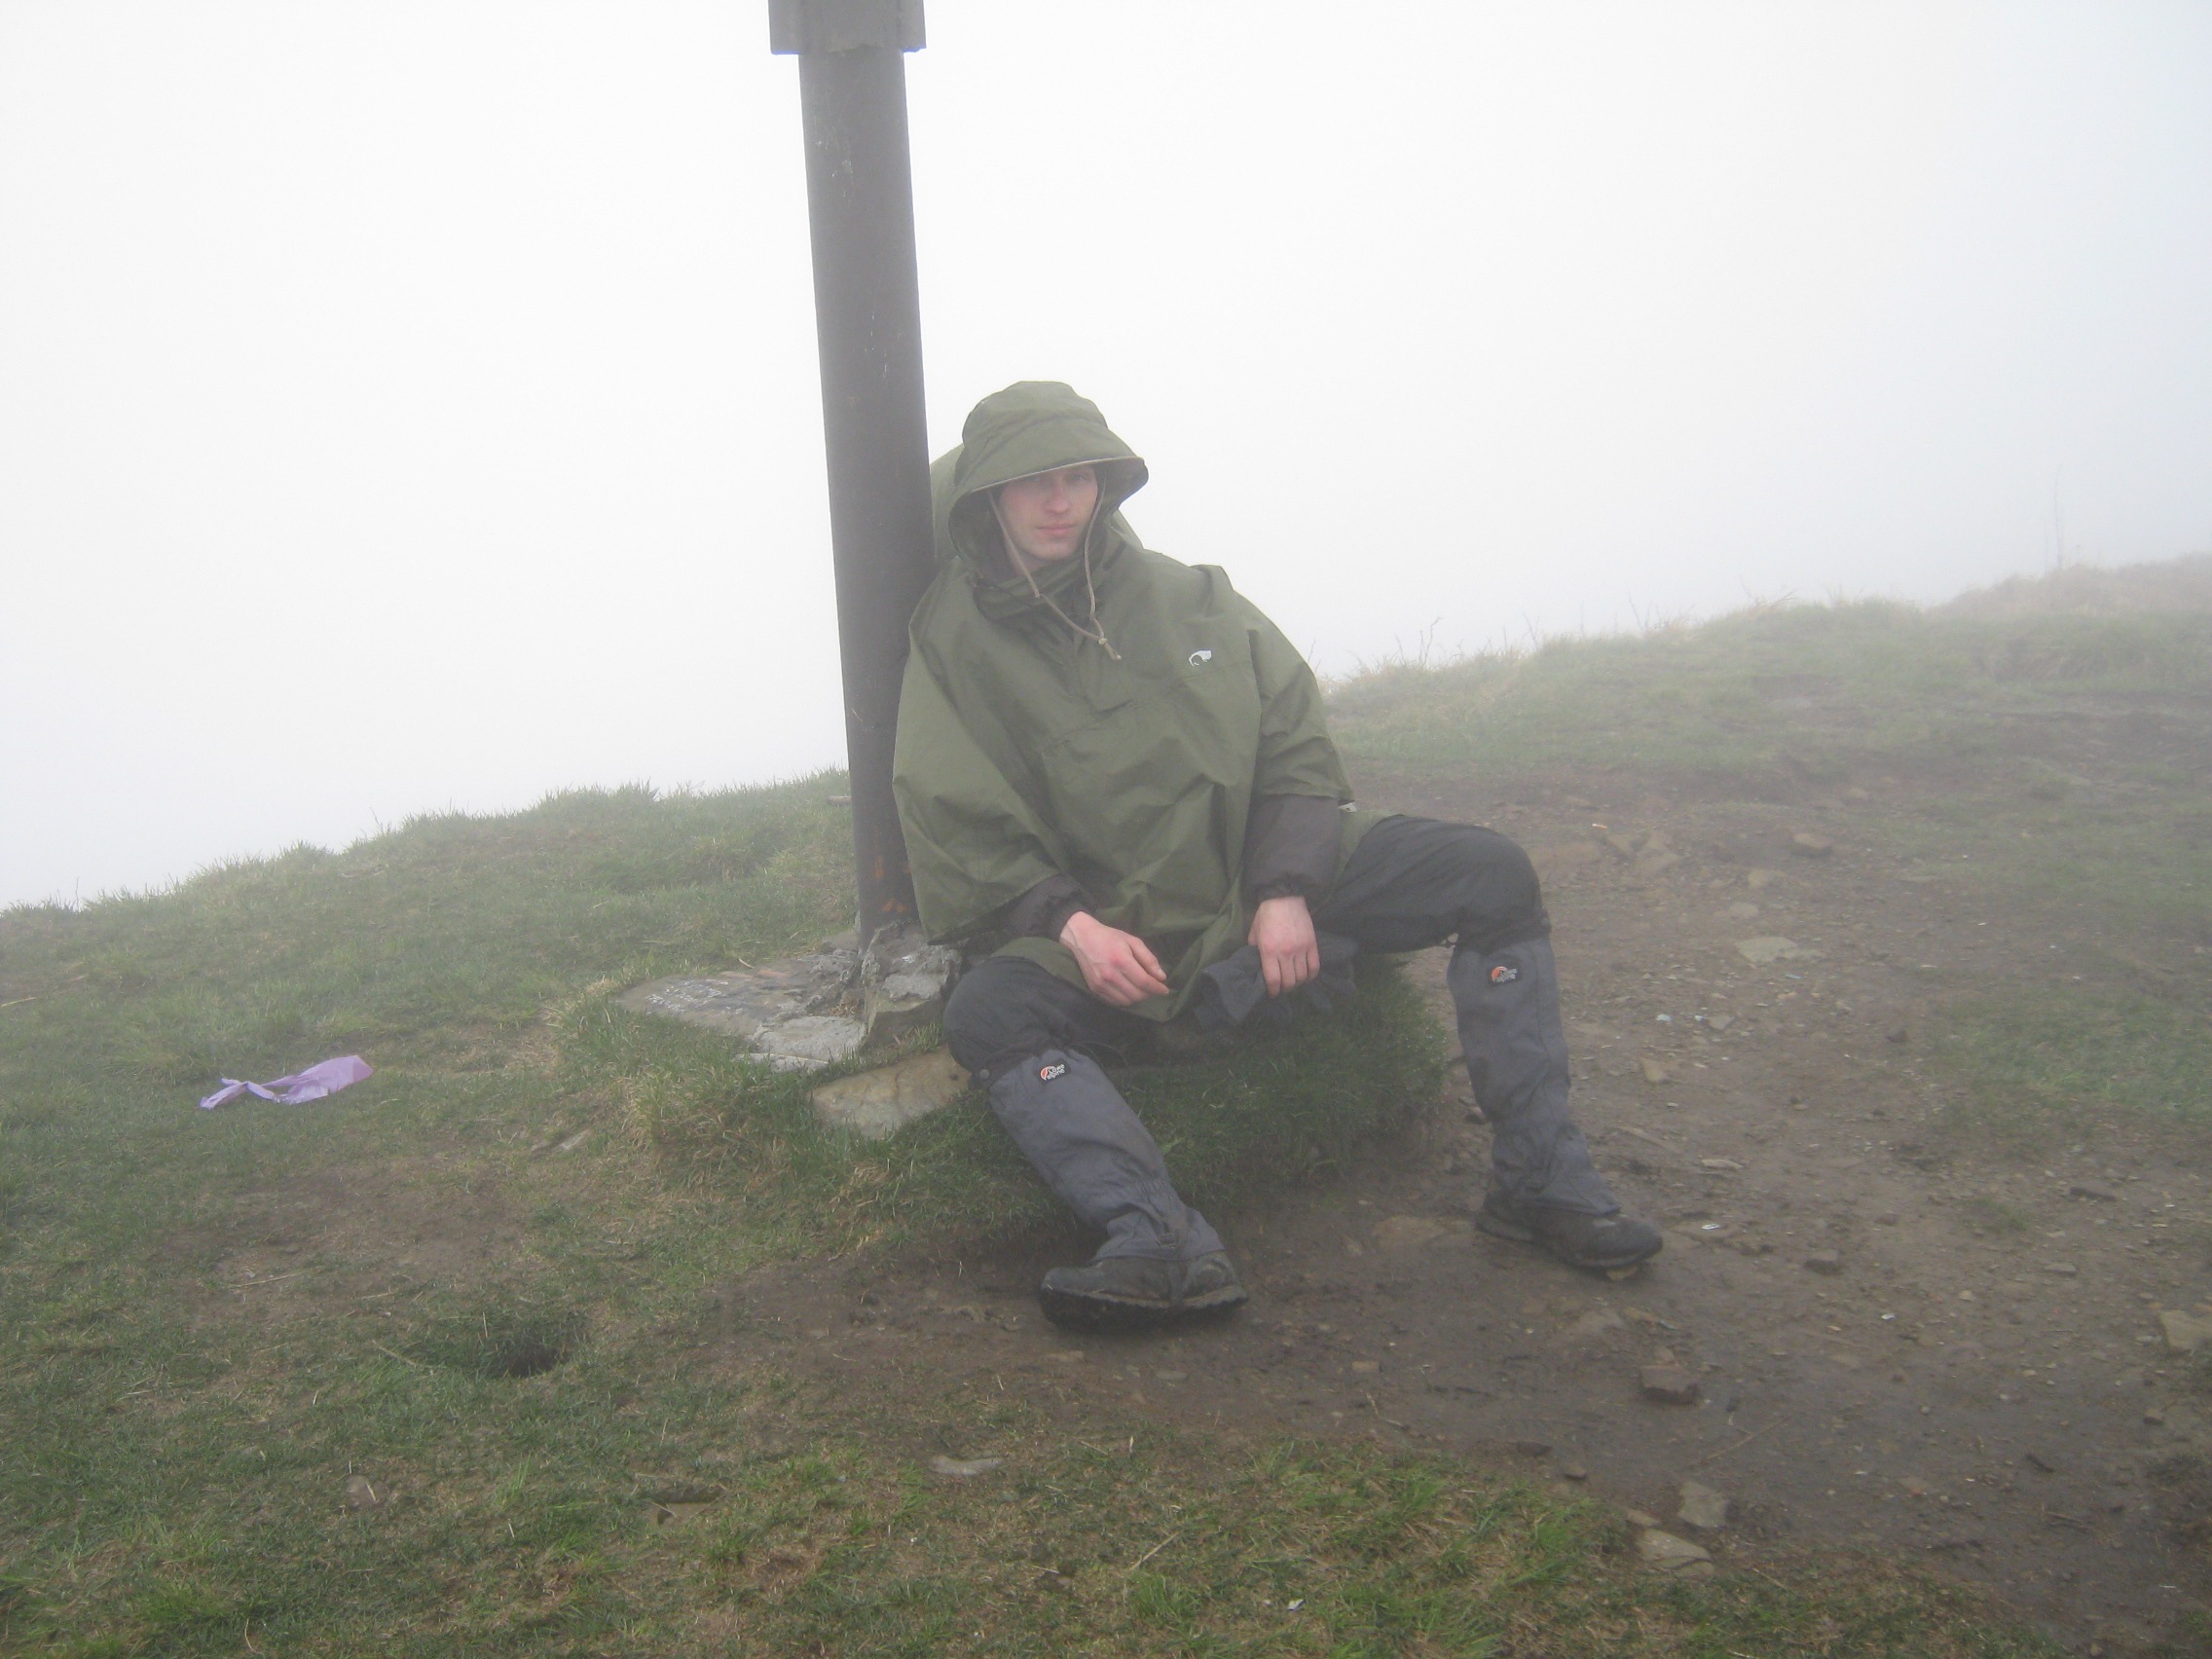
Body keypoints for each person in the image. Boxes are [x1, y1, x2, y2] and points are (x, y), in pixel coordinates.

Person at [892, 382, 1660, 1329]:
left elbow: (1293, 740)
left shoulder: (1192, 597)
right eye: (1033, 481)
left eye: (1079, 477)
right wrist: (1071, 925)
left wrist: (1284, 887)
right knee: (989, 1011)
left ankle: (1540, 1185)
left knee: (1490, 873)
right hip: (1118, 926)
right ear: (988, 495)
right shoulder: (952, 644)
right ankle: (1158, 1239)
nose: (1061, 501)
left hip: (1256, 872)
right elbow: (957, 811)